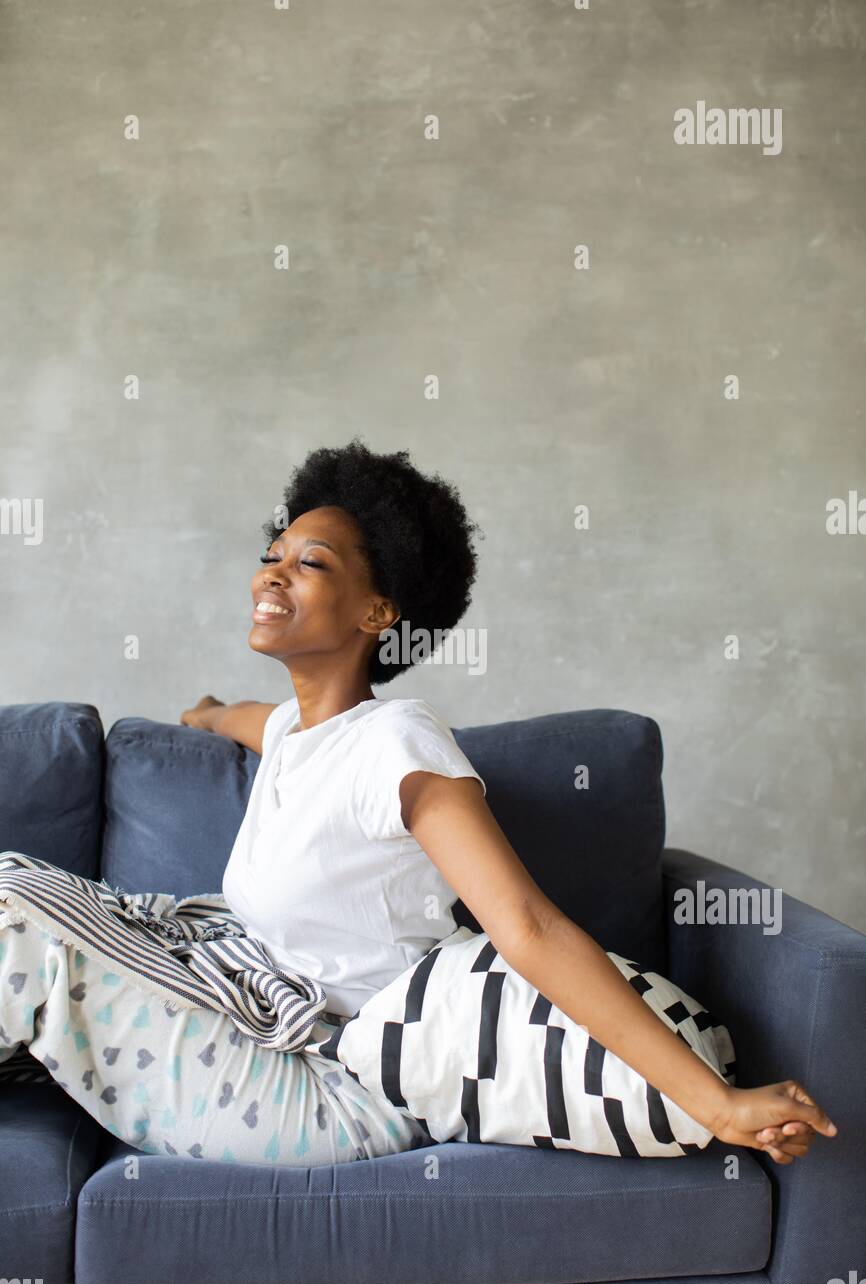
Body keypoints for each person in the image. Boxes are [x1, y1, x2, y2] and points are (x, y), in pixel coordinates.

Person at [1, 437, 837, 1166]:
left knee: (9, 916)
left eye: (310, 562)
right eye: (274, 551)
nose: (272, 572)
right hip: (246, 1002)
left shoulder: (399, 742)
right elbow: (254, 724)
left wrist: (717, 1104)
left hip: (326, 1076)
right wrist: (210, 713)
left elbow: (529, 929)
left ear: (378, 611)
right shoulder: (299, 726)